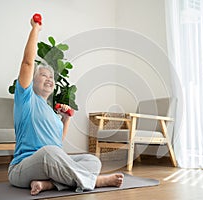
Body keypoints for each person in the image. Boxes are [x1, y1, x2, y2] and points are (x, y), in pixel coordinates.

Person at [8, 16, 124, 196]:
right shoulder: (26, 99)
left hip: (49, 162)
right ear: (32, 80)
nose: (49, 79)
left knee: (92, 161)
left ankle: (49, 185)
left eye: (51, 77)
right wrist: (35, 29)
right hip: (22, 168)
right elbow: (27, 63)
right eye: (44, 75)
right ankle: (94, 181)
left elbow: (57, 143)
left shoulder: (51, 111)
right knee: (49, 153)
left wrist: (66, 119)